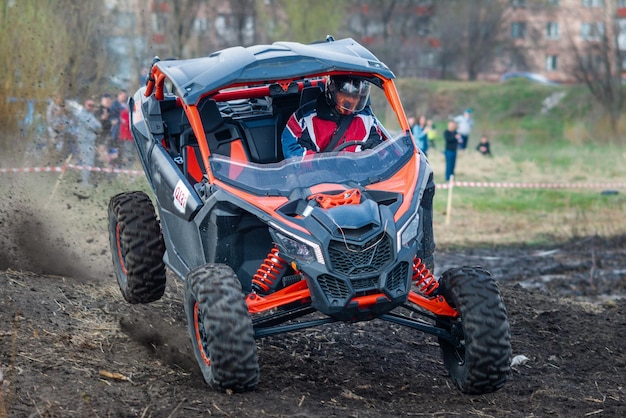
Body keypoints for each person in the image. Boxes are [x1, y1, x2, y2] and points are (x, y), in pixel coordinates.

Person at [281, 76, 384, 158]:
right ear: (332, 88)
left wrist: (374, 149)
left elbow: (380, 146)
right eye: (346, 94)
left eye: (356, 96)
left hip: (358, 175)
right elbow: (292, 151)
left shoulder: (367, 117)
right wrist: (321, 163)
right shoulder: (305, 117)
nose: (352, 100)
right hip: (318, 177)